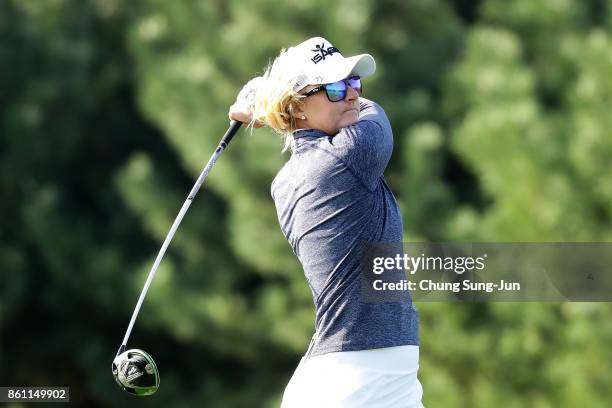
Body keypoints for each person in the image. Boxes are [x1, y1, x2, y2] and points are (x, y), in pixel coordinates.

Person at [229, 37, 424, 408]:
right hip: (359, 381)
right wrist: (271, 100)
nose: (351, 94)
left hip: (359, 375)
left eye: (354, 83)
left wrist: (274, 107)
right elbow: (376, 115)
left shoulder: (285, 181)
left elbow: (315, 122)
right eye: (334, 87)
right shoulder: (350, 154)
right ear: (297, 106)